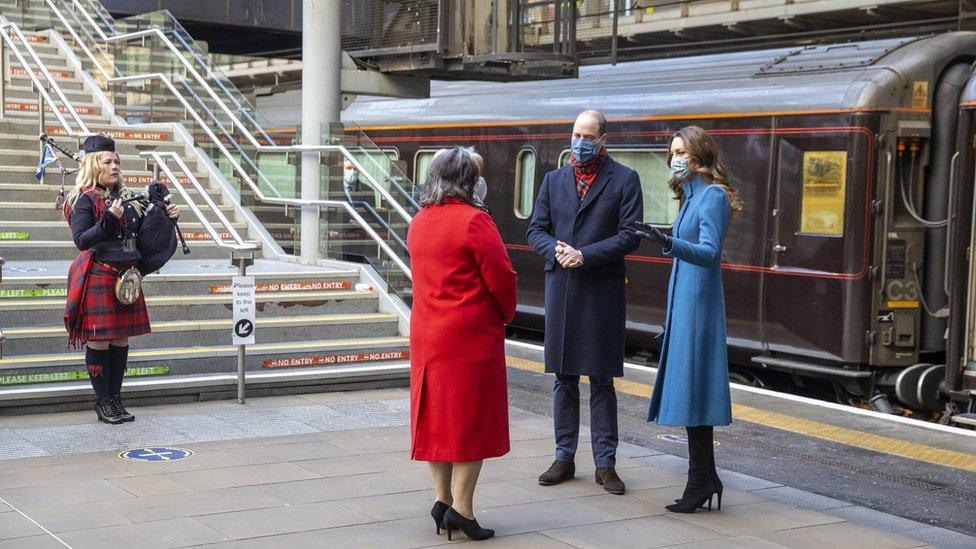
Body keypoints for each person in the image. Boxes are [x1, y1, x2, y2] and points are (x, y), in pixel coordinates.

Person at [526, 109, 643, 495]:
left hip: (601, 291)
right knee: (564, 378)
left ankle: (605, 464)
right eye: (576, 133)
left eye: (588, 136)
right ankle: (564, 457)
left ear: (602, 140)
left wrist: (586, 255)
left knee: (602, 379)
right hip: (562, 286)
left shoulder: (625, 179)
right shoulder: (553, 179)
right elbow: (536, 229)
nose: (580, 142)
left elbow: (631, 235)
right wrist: (556, 251)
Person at [407, 146, 517, 541]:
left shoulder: (419, 220)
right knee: (471, 423)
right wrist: (504, 315)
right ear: (468, 181)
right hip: (469, 339)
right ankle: (463, 510)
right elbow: (502, 277)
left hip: (427, 334)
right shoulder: (474, 221)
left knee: (436, 419)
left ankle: (440, 500)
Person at [631, 125, 742, 513]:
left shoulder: (711, 196)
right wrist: (667, 238)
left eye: (682, 152)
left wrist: (667, 242)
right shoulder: (690, 198)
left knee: (695, 390)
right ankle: (704, 478)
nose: (675, 159)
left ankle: (701, 480)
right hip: (685, 303)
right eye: (672, 152)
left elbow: (709, 254)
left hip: (699, 307)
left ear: (698, 156)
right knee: (692, 391)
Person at [63, 135, 180, 425]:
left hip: (126, 277)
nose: (114, 166)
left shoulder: (127, 199)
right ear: (94, 165)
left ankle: (116, 398)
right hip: (100, 274)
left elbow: (142, 236)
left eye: (116, 161)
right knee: (100, 341)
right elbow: (81, 240)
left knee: (120, 339)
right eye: (107, 161)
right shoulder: (83, 201)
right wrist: (107, 221)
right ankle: (102, 401)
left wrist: (166, 217)